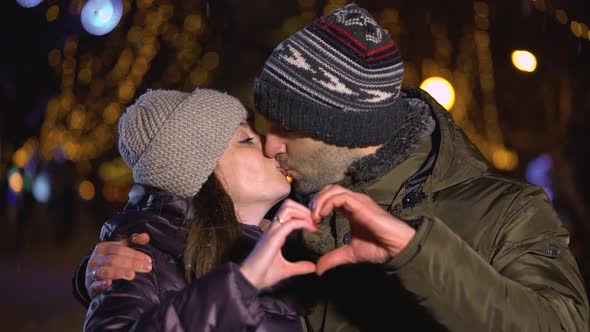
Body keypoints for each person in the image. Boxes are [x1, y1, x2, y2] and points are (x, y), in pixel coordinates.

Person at [76, 4, 590, 331]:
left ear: (341, 132)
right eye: (258, 130)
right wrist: (102, 274)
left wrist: (417, 255)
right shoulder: (283, 212)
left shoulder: (507, 211)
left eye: (283, 130)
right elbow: (186, 255)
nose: (270, 147)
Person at [82, 88, 318, 331]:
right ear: (198, 174)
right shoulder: (141, 265)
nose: (270, 147)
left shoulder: (291, 242)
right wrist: (232, 292)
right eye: (247, 140)